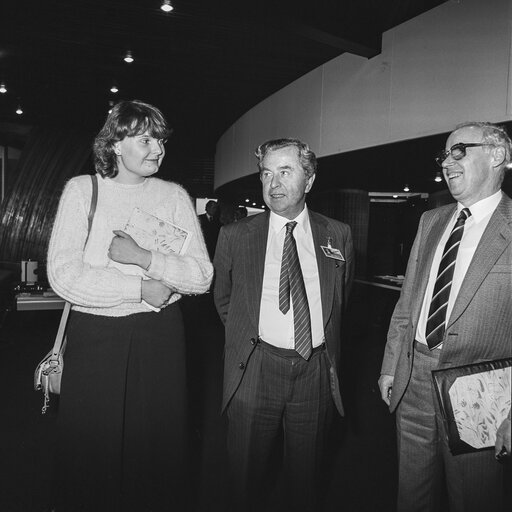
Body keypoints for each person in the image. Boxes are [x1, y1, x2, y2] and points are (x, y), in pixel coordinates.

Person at [47, 100, 213, 511]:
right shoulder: (83, 190)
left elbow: (202, 276)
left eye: (160, 139)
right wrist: (136, 289)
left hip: (160, 337)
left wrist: (145, 259)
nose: (157, 148)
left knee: (156, 454)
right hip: (96, 336)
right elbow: (63, 275)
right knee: (92, 453)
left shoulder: (174, 196)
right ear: (116, 144)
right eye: (145, 139)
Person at [213, 138, 354, 511]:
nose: (273, 183)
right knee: (243, 479)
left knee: (305, 482)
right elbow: (224, 301)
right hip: (256, 369)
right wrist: (252, 340)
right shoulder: (235, 236)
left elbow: (340, 300)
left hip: (315, 373)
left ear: (308, 180)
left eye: (285, 172)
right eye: (266, 173)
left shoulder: (337, 234)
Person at [378, 122, 512, 512]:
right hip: (414, 381)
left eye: (460, 151)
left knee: (475, 499)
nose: (448, 162)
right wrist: (391, 366)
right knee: (412, 497)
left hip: (482, 393)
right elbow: (407, 304)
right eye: (444, 154)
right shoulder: (432, 221)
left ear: (498, 156)